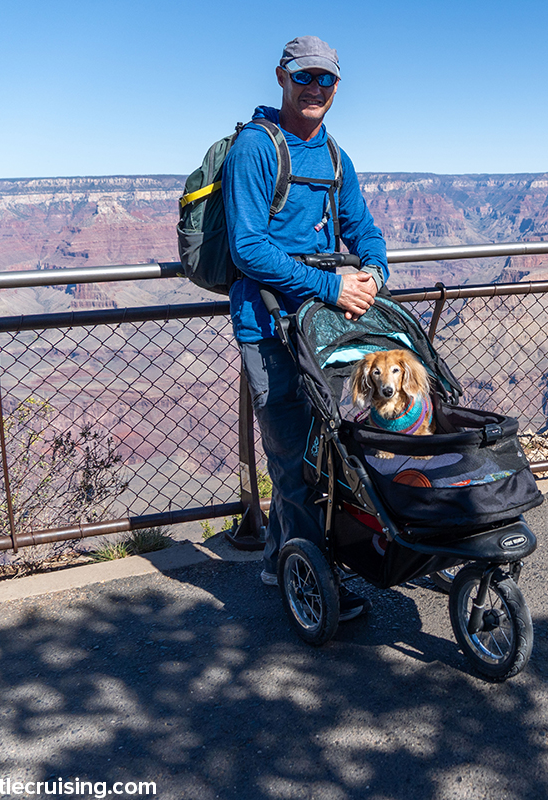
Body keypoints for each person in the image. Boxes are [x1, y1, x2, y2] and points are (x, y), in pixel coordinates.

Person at [223, 35, 388, 620]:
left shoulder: (336, 157)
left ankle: (284, 560)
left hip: (323, 329)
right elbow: (247, 247)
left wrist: (373, 272)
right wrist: (330, 286)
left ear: (337, 86)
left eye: (326, 79)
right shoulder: (256, 147)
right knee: (292, 459)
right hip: (267, 328)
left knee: (327, 450)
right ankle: (311, 582)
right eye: (304, 76)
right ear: (281, 77)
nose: (314, 88)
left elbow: (363, 228)